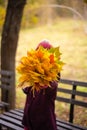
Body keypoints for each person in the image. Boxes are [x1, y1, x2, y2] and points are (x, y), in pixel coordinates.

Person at [22, 40, 59, 130]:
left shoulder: (53, 71)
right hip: (30, 114)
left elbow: (54, 84)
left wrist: (47, 84)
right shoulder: (33, 68)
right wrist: (27, 86)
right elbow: (29, 86)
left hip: (43, 117)